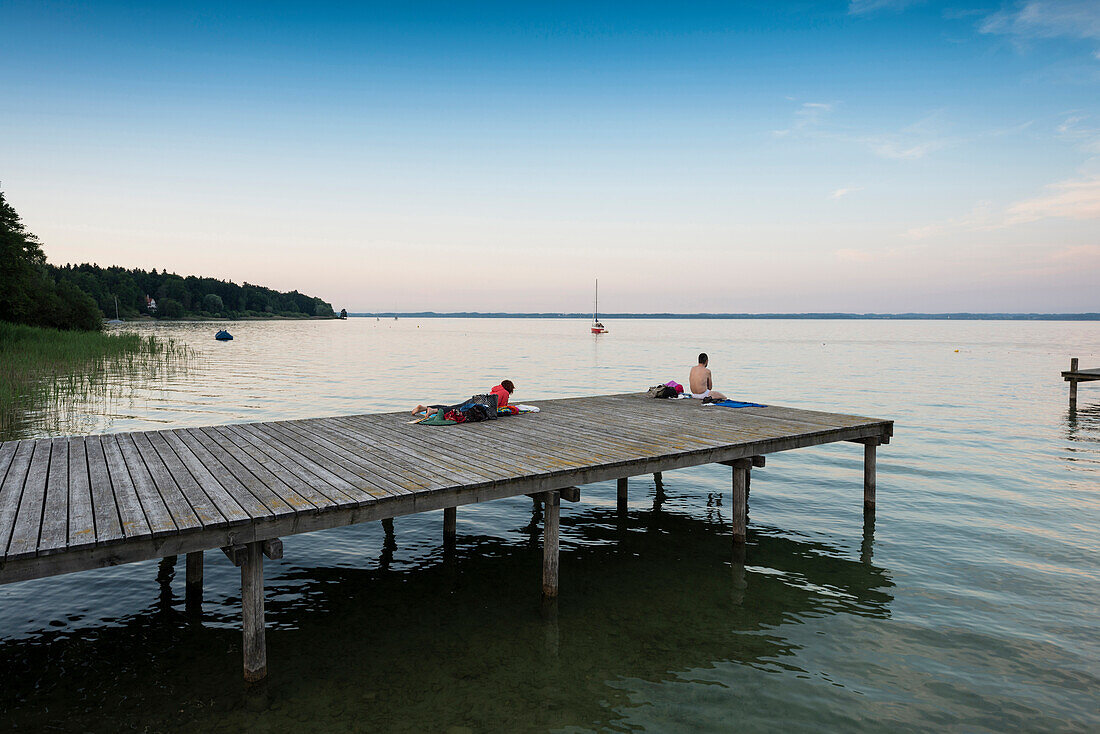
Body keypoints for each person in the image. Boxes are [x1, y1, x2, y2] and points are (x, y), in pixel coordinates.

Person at [413, 380, 515, 417]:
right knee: (456, 410)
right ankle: (433, 410)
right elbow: (502, 407)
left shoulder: (496, 389)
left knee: (454, 406)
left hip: (478, 398)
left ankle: (424, 407)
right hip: (482, 404)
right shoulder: (505, 392)